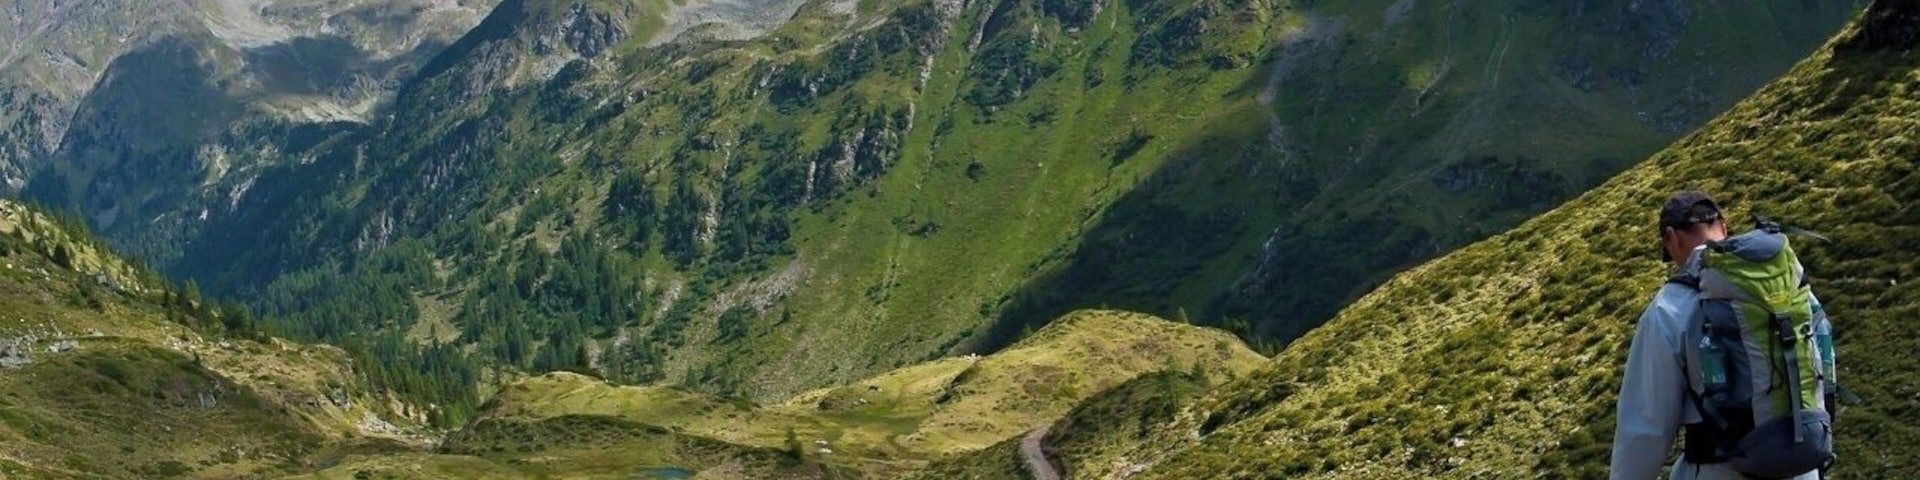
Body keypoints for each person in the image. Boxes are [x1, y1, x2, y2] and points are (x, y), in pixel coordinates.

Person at [1608, 191, 1821, 480]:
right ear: (1723, 225)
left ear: (1672, 237)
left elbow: (1646, 427)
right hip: (1801, 464)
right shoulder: (1788, 279)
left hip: (1721, 470)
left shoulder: (1669, 307)